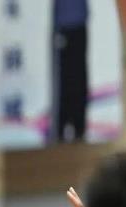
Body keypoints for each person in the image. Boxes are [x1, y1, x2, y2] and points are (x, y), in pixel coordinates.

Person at [51, 0, 89, 143]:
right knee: (66, 77)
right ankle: (66, 126)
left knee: (78, 76)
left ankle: (77, 126)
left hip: (76, 22)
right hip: (65, 23)